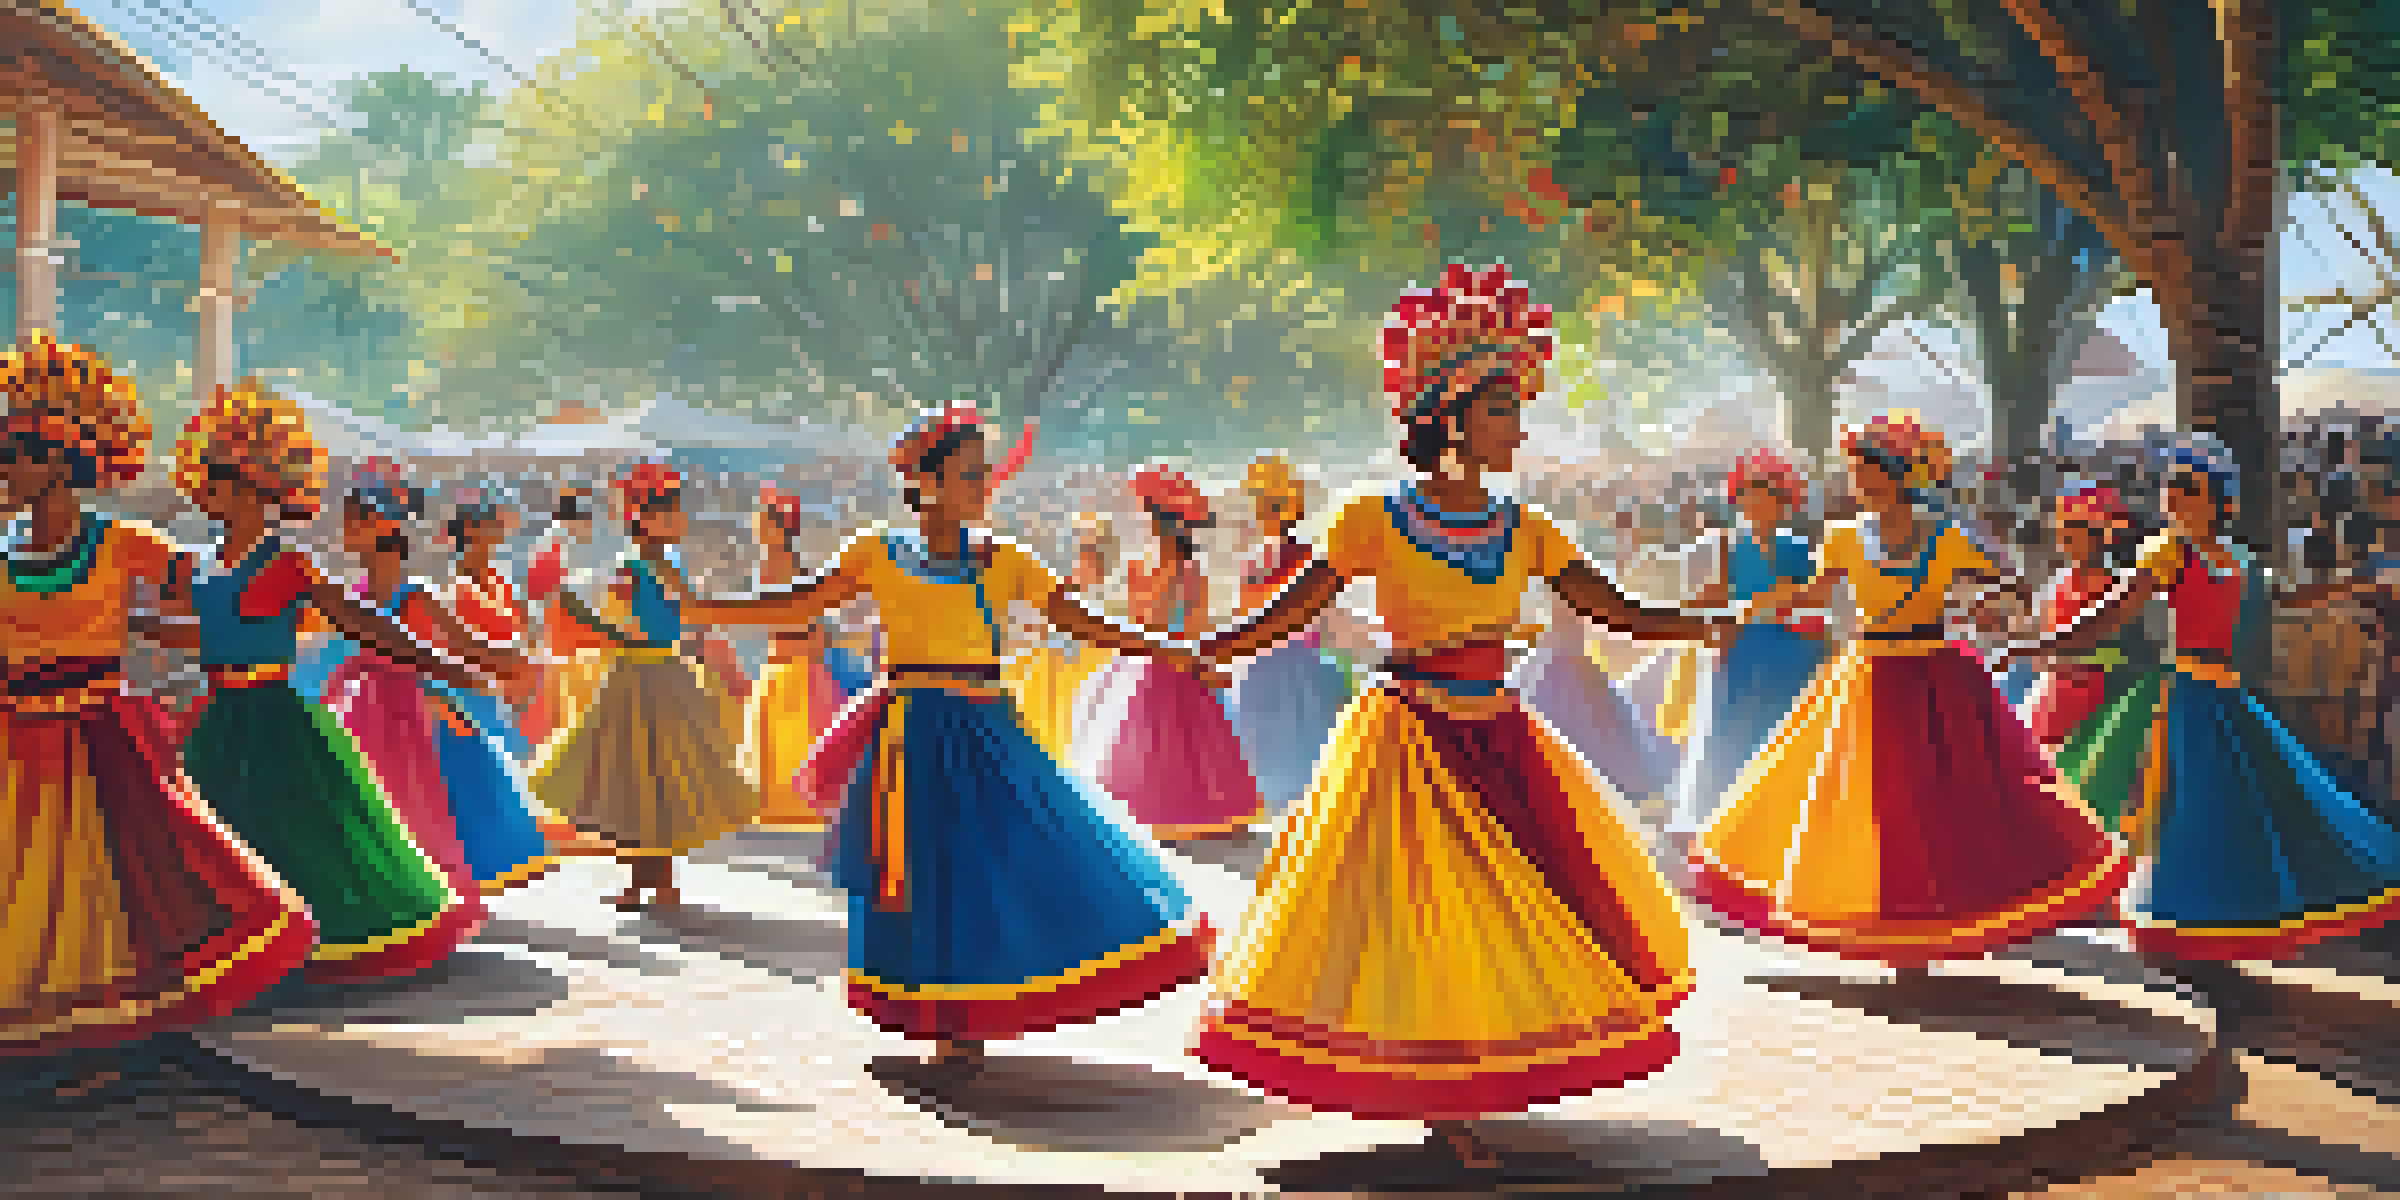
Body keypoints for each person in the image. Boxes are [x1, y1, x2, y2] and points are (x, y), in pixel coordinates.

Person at [1183, 264, 1732, 1170]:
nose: (1517, 430)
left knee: (1519, 907)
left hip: (1499, 731)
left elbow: (1611, 607)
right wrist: (1221, 648)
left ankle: (1476, 1078)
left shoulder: (1527, 524)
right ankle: (1444, 1094)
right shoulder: (1372, 518)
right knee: (1424, 914)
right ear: (1448, 417)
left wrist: (1694, 625)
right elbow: (1297, 606)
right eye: (1501, 412)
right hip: (1407, 736)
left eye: (1517, 413)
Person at [679, 407, 1215, 1076]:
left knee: (1005, 860)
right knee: (925, 875)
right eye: (968, 473)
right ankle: (947, 1020)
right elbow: (800, 602)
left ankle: (981, 1007)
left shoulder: (1006, 560)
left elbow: (1083, 620)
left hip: (986, 733)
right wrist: (703, 610)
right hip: (910, 738)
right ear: (926, 482)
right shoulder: (877, 551)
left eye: (983, 472)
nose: (983, 483)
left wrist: (1171, 650)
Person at [1690, 413, 2129, 969]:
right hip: (1869, 674)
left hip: (1933, 676)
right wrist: (1755, 607)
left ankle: (1936, 920)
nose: (1859, 482)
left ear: (1898, 473)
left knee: (1946, 802)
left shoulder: (1945, 533)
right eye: (1856, 472)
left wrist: (1983, 602)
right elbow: (1817, 595)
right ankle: (1889, 919)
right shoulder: (1845, 537)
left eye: (1868, 470)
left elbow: (2010, 582)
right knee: (1865, 800)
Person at [0, 335, 313, 1085]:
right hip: (11, 739)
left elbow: (226, 611)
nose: (2, 467)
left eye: (15, 450)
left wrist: (166, 639)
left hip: (91, 744)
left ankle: (84, 1044)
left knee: (91, 890)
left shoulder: (127, 544)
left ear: (63, 460)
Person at [2016, 435, 2400, 960]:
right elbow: (2114, 611)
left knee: (2255, 804)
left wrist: (2351, 585)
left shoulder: (2237, 558)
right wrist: (2042, 642)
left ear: (2220, 500)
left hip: (2228, 699)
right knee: (2183, 806)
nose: (2174, 493)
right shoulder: (2169, 549)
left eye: (2188, 485)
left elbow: (2287, 597)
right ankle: (2181, 917)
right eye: (2170, 483)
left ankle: (2215, 917)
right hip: (2185, 697)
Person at [168, 378, 486, 985]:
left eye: (223, 480)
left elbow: (361, 622)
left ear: (262, 489)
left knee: (294, 830)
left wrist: (437, 662)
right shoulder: (199, 562)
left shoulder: (290, 561)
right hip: (215, 715)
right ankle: (236, 952)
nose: (209, 492)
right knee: (217, 833)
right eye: (206, 478)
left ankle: (299, 949)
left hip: (274, 717)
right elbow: (199, 634)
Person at [529, 463, 756, 912]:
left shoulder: (662, 564)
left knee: (661, 780)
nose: (681, 519)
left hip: (662, 675)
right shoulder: (633, 567)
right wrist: (610, 629)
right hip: (638, 678)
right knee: (638, 781)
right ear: (644, 518)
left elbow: (680, 615)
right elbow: (613, 619)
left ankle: (658, 880)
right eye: (671, 511)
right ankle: (644, 880)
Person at [1073, 464, 1265, 841]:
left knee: (1171, 738)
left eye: (1148, 513)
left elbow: (1182, 623)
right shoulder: (1161, 568)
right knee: (1167, 739)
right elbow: (1158, 619)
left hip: (1161, 661)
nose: (1144, 522)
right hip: (1152, 661)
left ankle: (1172, 811)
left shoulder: (1177, 570)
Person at [1664, 449, 1830, 853]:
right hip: (1742, 649)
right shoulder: (1726, 548)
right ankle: (1721, 824)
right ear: (1738, 499)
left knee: (1785, 733)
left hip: (1792, 651)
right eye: (1752, 496)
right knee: (1730, 733)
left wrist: (1794, 613)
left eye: (1771, 496)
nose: (1761, 505)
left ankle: (1782, 820)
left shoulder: (1798, 549)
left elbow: (1817, 601)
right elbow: (1703, 601)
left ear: (1785, 502)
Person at [1226, 456, 1352, 819]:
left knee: (1285, 744)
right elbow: (1320, 618)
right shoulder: (1305, 557)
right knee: (1298, 745)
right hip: (1292, 664)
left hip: (1271, 666)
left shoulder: (1262, 560)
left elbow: (1245, 619)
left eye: (1267, 505)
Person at [741, 484, 845, 829]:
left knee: (796, 735)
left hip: (796, 663)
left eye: (762, 522)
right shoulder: (779, 562)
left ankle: (794, 804)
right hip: (793, 662)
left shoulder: (778, 562)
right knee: (797, 736)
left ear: (778, 528)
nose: (756, 527)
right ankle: (796, 803)